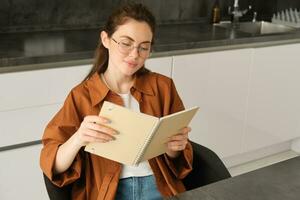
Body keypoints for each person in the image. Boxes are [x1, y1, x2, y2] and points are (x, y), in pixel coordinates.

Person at [40, 3, 193, 200]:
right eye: (126, 43)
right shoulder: (82, 96)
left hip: (159, 185)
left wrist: (175, 148)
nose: (135, 54)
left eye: (144, 47)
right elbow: (53, 164)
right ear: (106, 39)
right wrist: (78, 138)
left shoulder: (163, 87)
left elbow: (180, 160)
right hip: (108, 193)